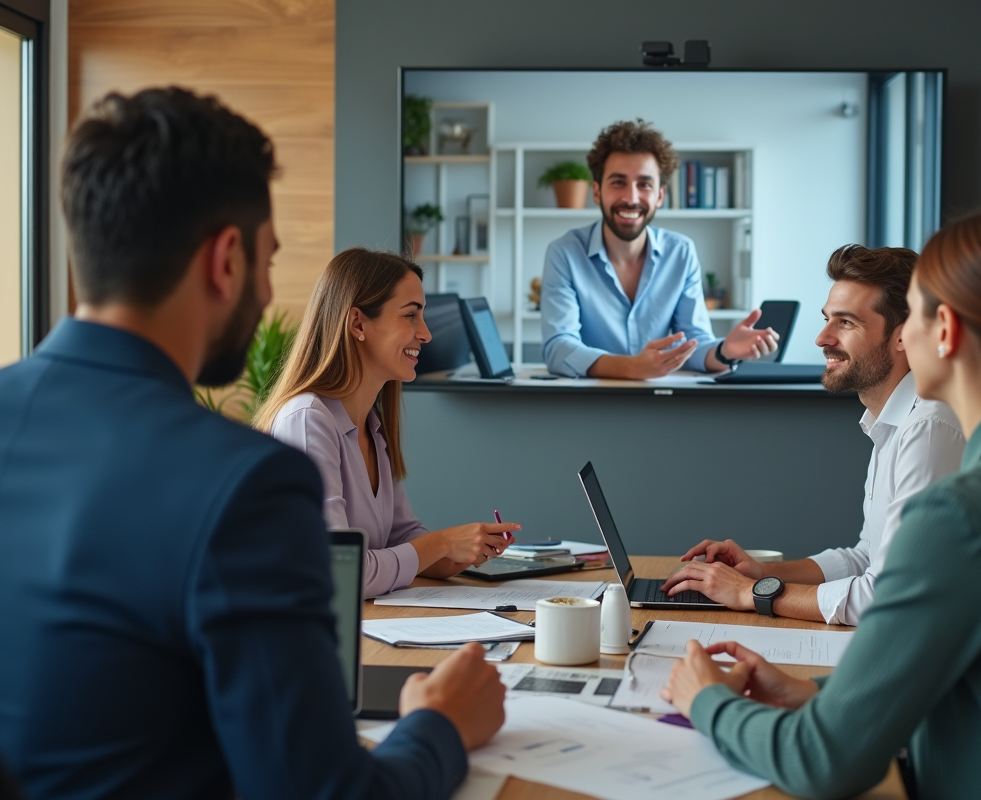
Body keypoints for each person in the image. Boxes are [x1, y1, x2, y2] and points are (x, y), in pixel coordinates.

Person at [0, 87, 505, 800]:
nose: (269, 293)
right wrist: (441, 727)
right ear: (226, 259)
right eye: (269, 262)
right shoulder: (245, 485)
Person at [661, 207, 981, 799]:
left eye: (914, 319)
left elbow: (823, 763)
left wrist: (705, 701)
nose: (903, 337)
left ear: (945, 331)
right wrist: (822, 695)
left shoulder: (964, 511)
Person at [662, 245, 964, 625]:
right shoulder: (893, 419)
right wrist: (760, 574)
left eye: (846, 323)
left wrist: (748, 594)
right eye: (826, 319)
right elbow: (866, 557)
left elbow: (886, 596)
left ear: (903, 337)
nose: (822, 338)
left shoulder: (928, 428)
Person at [255, 248, 519, 598]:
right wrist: (440, 542)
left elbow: (402, 538)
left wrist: (461, 550)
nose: (425, 334)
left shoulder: (372, 423)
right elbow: (338, 570)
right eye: (411, 316)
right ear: (358, 324)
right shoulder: (307, 420)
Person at [540, 119, 779, 378]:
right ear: (597, 192)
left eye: (644, 184)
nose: (631, 198)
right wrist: (632, 367)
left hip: (661, 403)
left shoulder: (681, 252)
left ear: (660, 196)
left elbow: (695, 343)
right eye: (618, 182)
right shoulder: (564, 253)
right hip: (588, 403)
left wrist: (725, 351)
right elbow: (558, 348)